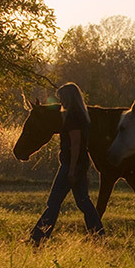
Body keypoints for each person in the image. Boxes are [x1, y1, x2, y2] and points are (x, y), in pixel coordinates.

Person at [30, 82, 105, 245]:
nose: (61, 101)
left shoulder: (72, 117)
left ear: (69, 98)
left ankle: (38, 238)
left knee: (54, 202)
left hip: (72, 164)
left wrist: (71, 170)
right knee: (84, 202)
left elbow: (76, 144)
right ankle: (99, 236)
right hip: (80, 164)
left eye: (62, 98)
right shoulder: (82, 116)